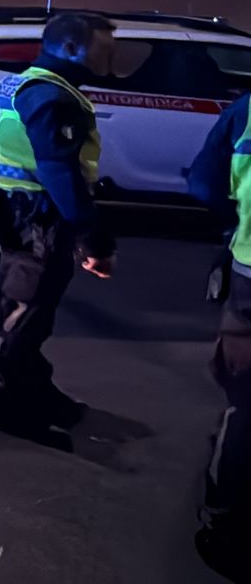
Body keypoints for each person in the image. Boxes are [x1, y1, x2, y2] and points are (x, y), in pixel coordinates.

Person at [0, 11, 117, 444]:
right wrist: (90, 236)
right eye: (103, 47)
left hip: (5, 215)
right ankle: (4, 409)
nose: (110, 56)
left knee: (24, 313)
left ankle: (36, 393)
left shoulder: (16, 83)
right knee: (24, 317)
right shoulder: (53, 97)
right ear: (73, 48)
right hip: (33, 224)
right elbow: (59, 171)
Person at [188, 83, 251, 577]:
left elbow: (205, 184)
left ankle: (224, 518)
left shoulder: (246, 110)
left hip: (250, 274)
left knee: (246, 401)